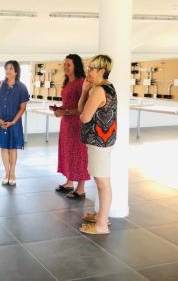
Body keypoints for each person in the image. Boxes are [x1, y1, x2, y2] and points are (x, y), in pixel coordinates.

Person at [78, 55, 117, 235]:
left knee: (102, 183)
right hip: (103, 141)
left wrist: (89, 93)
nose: (88, 72)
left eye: (92, 69)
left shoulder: (100, 90)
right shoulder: (105, 87)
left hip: (99, 142)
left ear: (102, 71)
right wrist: (85, 91)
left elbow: (84, 116)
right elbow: (82, 110)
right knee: (102, 180)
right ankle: (101, 216)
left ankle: (102, 224)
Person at [54, 54, 90, 198]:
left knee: (79, 153)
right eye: (64, 64)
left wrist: (65, 111)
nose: (65, 67)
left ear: (76, 66)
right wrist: (60, 109)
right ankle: (69, 182)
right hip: (66, 124)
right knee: (67, 152)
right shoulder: (67, 83)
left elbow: (83, 107)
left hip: (77, 124)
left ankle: (80, 188)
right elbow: (68, 103)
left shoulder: (81, 83)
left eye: (68, 64)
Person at [0, 61, 29, 186]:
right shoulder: (0, 84)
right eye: (6, 68)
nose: (8, 71)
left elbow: (23, 107)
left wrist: (13, 121)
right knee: (4, 147)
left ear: (16, 71)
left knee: (12, 147)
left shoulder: (22, 87)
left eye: (11, 68)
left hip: (14, 122)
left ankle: (12, 173)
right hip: (0, 121)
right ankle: (6, 173)